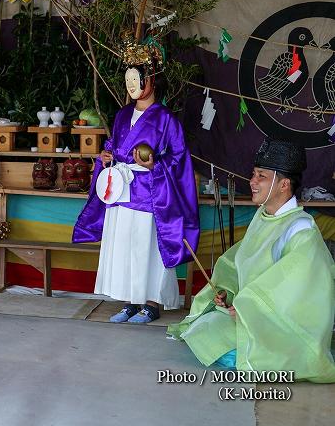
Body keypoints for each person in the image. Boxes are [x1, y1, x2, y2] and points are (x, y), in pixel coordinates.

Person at [168, 139, 335, 382]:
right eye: (254, 175)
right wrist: (227, 293)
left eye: (261, 177)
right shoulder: (263, 216)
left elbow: (299, 293)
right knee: (204, 328)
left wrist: (249, 309)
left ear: (284, 184)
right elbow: (240, 261)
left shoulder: (301, 230)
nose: (252, 182)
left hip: (286, 325)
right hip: (251, 313)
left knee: (218, 340)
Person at [72, 40, 200, 323]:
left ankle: (151, 304)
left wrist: (155, 164)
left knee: (148, 247)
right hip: (121, 187)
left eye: (136, 79)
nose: (131, 85)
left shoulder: (167, 119)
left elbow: (179, 158)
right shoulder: (121, 115)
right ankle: (131, 301)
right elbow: (114, 144)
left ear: (151, 80)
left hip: (150, 191)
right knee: (125, 244)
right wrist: (106, 156)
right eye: (128, 79)